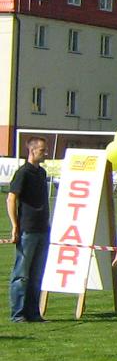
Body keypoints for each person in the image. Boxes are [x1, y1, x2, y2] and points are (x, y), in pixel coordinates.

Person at [7, 136, 49, 323]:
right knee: (21, 274)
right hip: (27, 229)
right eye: (42, 150)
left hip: (43, 229)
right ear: (32, 151)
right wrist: (15, 225)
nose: (45, 153)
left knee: (36, 275)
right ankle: (18, 314)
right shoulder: (23, 173)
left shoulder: (42, 173)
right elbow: (11, 198)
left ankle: (33, 313)